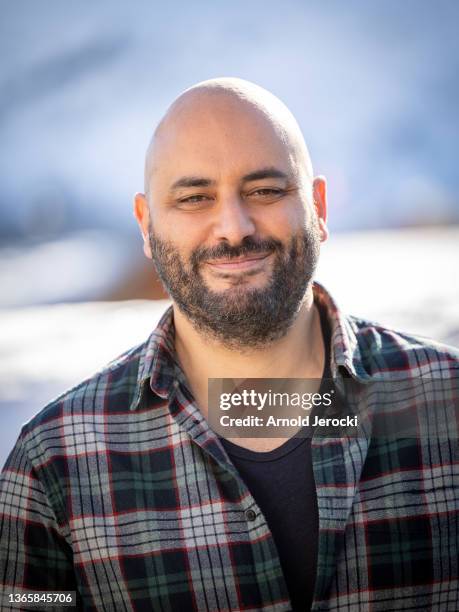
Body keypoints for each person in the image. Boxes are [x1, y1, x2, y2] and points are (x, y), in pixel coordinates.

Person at [0, 78, 458, 612]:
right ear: (147, 226)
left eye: (264, 190)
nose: (234, 228)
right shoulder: (54, 462)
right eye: (195, 198)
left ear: (319, 206)